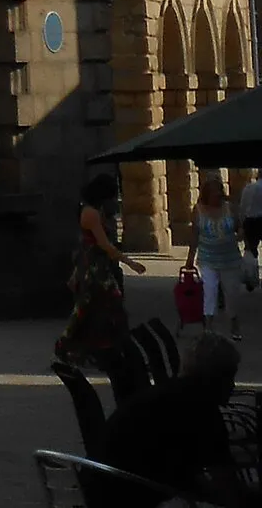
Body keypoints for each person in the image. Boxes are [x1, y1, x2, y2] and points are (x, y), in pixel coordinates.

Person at [97, 328, 241, 506]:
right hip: (129, 497)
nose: (233, 386)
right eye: (230, 377)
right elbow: (228, 489)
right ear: (217, 377)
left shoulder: (165, 394)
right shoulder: (202, 410)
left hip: (101, 485)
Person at [57, 171, 146, 388]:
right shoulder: (91, 214)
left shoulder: (94, 211)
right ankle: (67, 345)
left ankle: (105, 349)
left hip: (96, 266)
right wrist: (131, 262)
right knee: (97, 305)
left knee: (100, 308)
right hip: (95, 269)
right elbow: (103, 244)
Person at [189, 176, 245, 338]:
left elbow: (240, 227)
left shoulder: (230, 208)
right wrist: (190, 259)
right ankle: (208, 326)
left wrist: (239, 235)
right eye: (213, 194)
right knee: (210, 290)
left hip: (230, 258)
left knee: (231, 293)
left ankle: (234, 322)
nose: (217, 197)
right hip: (208, 257)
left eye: (219, 193)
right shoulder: (198, 210)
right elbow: (195, 235)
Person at [235, 169, 262, 289]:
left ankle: (251, 277)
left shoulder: (249, 188)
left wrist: (241, 223)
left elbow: (243, 207)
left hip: (251, 221)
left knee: (251, 249)